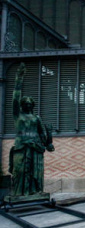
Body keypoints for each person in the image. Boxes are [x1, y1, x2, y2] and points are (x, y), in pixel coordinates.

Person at [9, 63, 55, 197]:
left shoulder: (36, 118)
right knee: (20, 170)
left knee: (36, 171)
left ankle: (36, 191)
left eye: (30, 104)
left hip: (36, 147)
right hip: (21, 146)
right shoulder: (18, 115)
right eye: (25, 104)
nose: (28, 105)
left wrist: (49, 138)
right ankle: (18, 193)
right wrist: (19, 80)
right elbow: (15, 99)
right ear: (22, 105)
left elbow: (42, 133)